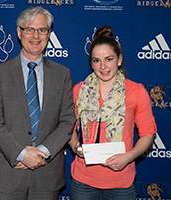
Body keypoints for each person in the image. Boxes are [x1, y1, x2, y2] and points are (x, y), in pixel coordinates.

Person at [0, 6, 76, 200]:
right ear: (19, 32)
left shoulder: (62, 74)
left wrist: (42, 153)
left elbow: (68, 121)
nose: (36, 36)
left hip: (48, 173)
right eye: (29, 29)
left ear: (49, 34)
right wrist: (21, 153)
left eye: (42, 30)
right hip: (9, 172)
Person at [68, 25, 157, 200]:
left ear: (119, 59)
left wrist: (128, 157)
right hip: (83, 181)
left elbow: (148, 134)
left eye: (108, 59)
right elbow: (69, 126)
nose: (103, 66)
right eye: (96, 60)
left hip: (121, 182)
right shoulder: (79, 90)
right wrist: (74, 146)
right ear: (91, 62)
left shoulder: (136, 91)